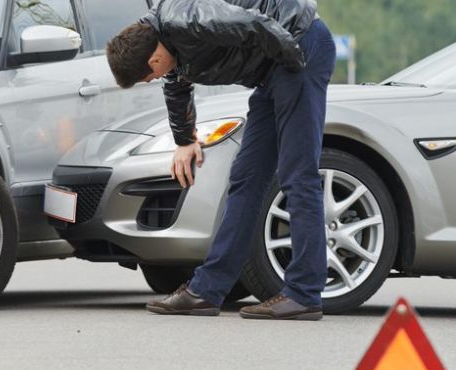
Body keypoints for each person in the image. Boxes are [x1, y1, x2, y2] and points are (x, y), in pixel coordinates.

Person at [107, 0, 334, 320]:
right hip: (275, 68)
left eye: (151, 75)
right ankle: (207, 291)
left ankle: (304, 293)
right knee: (246, 177)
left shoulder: (187, 19)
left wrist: (296, 63)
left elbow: (254, 23)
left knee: (297, 174)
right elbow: (175, 85)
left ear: (154, 58)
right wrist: (184, 141)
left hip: (297, 47)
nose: (156, 78)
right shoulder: (165, 42)